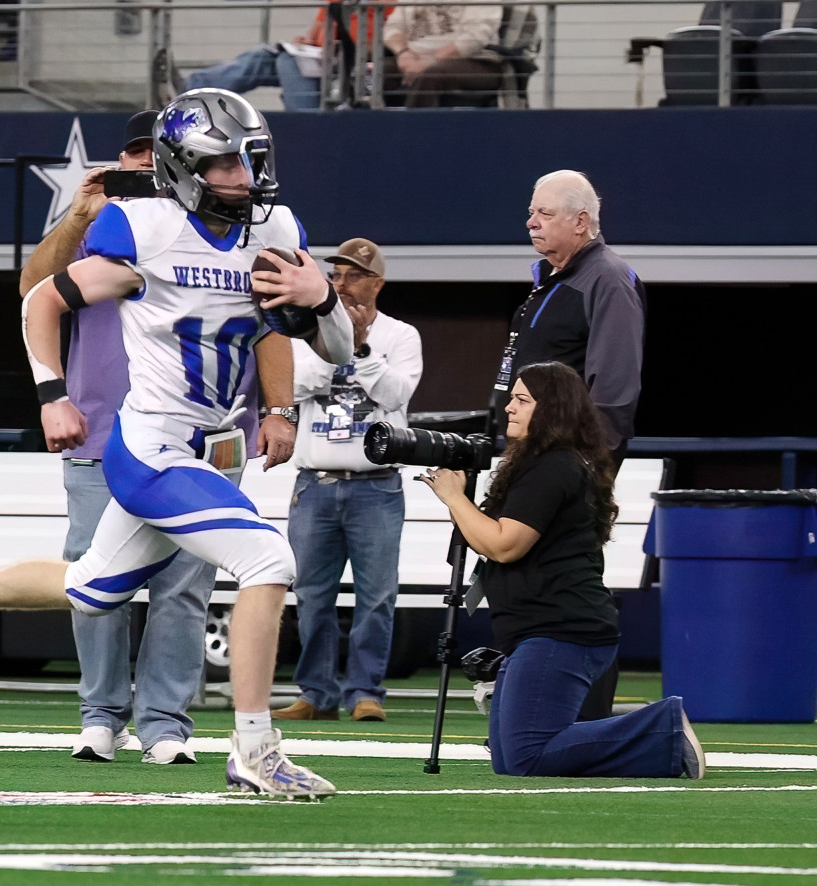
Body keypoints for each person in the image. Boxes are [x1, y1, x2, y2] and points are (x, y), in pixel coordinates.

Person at [0, 89, 352, 798]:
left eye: (249, 159)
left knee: (91, 587)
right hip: (153, 445)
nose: (243, 177)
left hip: (215, 447)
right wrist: (52, 395)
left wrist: (322, 300)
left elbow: (336, 347)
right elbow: (41, 299)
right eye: (224, 162)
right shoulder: (144, 228)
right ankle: (255, 750)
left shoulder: (275, 227)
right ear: (185, 165)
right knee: (268, 558)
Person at [18, 109, 257, 766]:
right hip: (101, 428)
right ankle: (100, 714)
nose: (148, 169)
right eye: (137, 157)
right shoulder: (110, 226)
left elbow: (269, 318)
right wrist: (78, 214)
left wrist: (280, 408)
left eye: (159, 157)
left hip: (196, 434)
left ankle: (165, 722)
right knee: (96, 579)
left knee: (184, 585)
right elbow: (33, 289)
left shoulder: (227, 227)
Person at [420, 361, 704, 778]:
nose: (509, 409)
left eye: (522, 400)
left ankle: (663, 727)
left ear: (551, 409)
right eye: (511, 398)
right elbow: (492, 537)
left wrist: (454, 498)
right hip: (543, 628)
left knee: (526, 757)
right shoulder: (545, 464)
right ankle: (660, 744)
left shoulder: (552, 466)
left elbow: (504, 545)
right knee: (508, 757)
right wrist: (460, 506)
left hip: (560, 629)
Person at [490, 169, 648, 720]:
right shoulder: (550, 279)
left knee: (570, 580)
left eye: (546, 213)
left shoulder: (606, 278)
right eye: (531, 212)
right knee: (535, 578)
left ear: (582, 222)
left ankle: (589, 717)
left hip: (569, 465)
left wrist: (589, 466)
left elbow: (616, 383)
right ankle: (542, 708)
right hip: (538, 459)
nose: (532, 221)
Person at [274, 238, 423, 723]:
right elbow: (294, 385)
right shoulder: (303, 329)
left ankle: (365, 692)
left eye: (353, 276)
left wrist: (358, 347)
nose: (341, 284)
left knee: (376, 595)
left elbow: (395, 394)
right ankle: (314, 693)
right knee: (311, 595)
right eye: (334, 275)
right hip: (314, 483)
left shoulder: (402, 335)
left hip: (376, 485)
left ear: (376, 283)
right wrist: (343, 349)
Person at [182, 2, 390, 110]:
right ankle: (186, 88)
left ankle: (305, 119)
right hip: (317, 58)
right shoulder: (336, 2)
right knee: (262, 58)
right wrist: (306, 40)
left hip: (346, 65)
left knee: (285, 59)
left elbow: (375, 46)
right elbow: (318, 26)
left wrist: (333, 47)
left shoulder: (382, 5)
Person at [381, 1, 505, 107]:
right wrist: (403, 53)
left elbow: (476, 37)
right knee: (371, 73)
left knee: (431, 75)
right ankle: (373, 126)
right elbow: (392, 27)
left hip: (475, 61)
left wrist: (431, 60)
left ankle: (415, 130)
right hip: (413, 58)